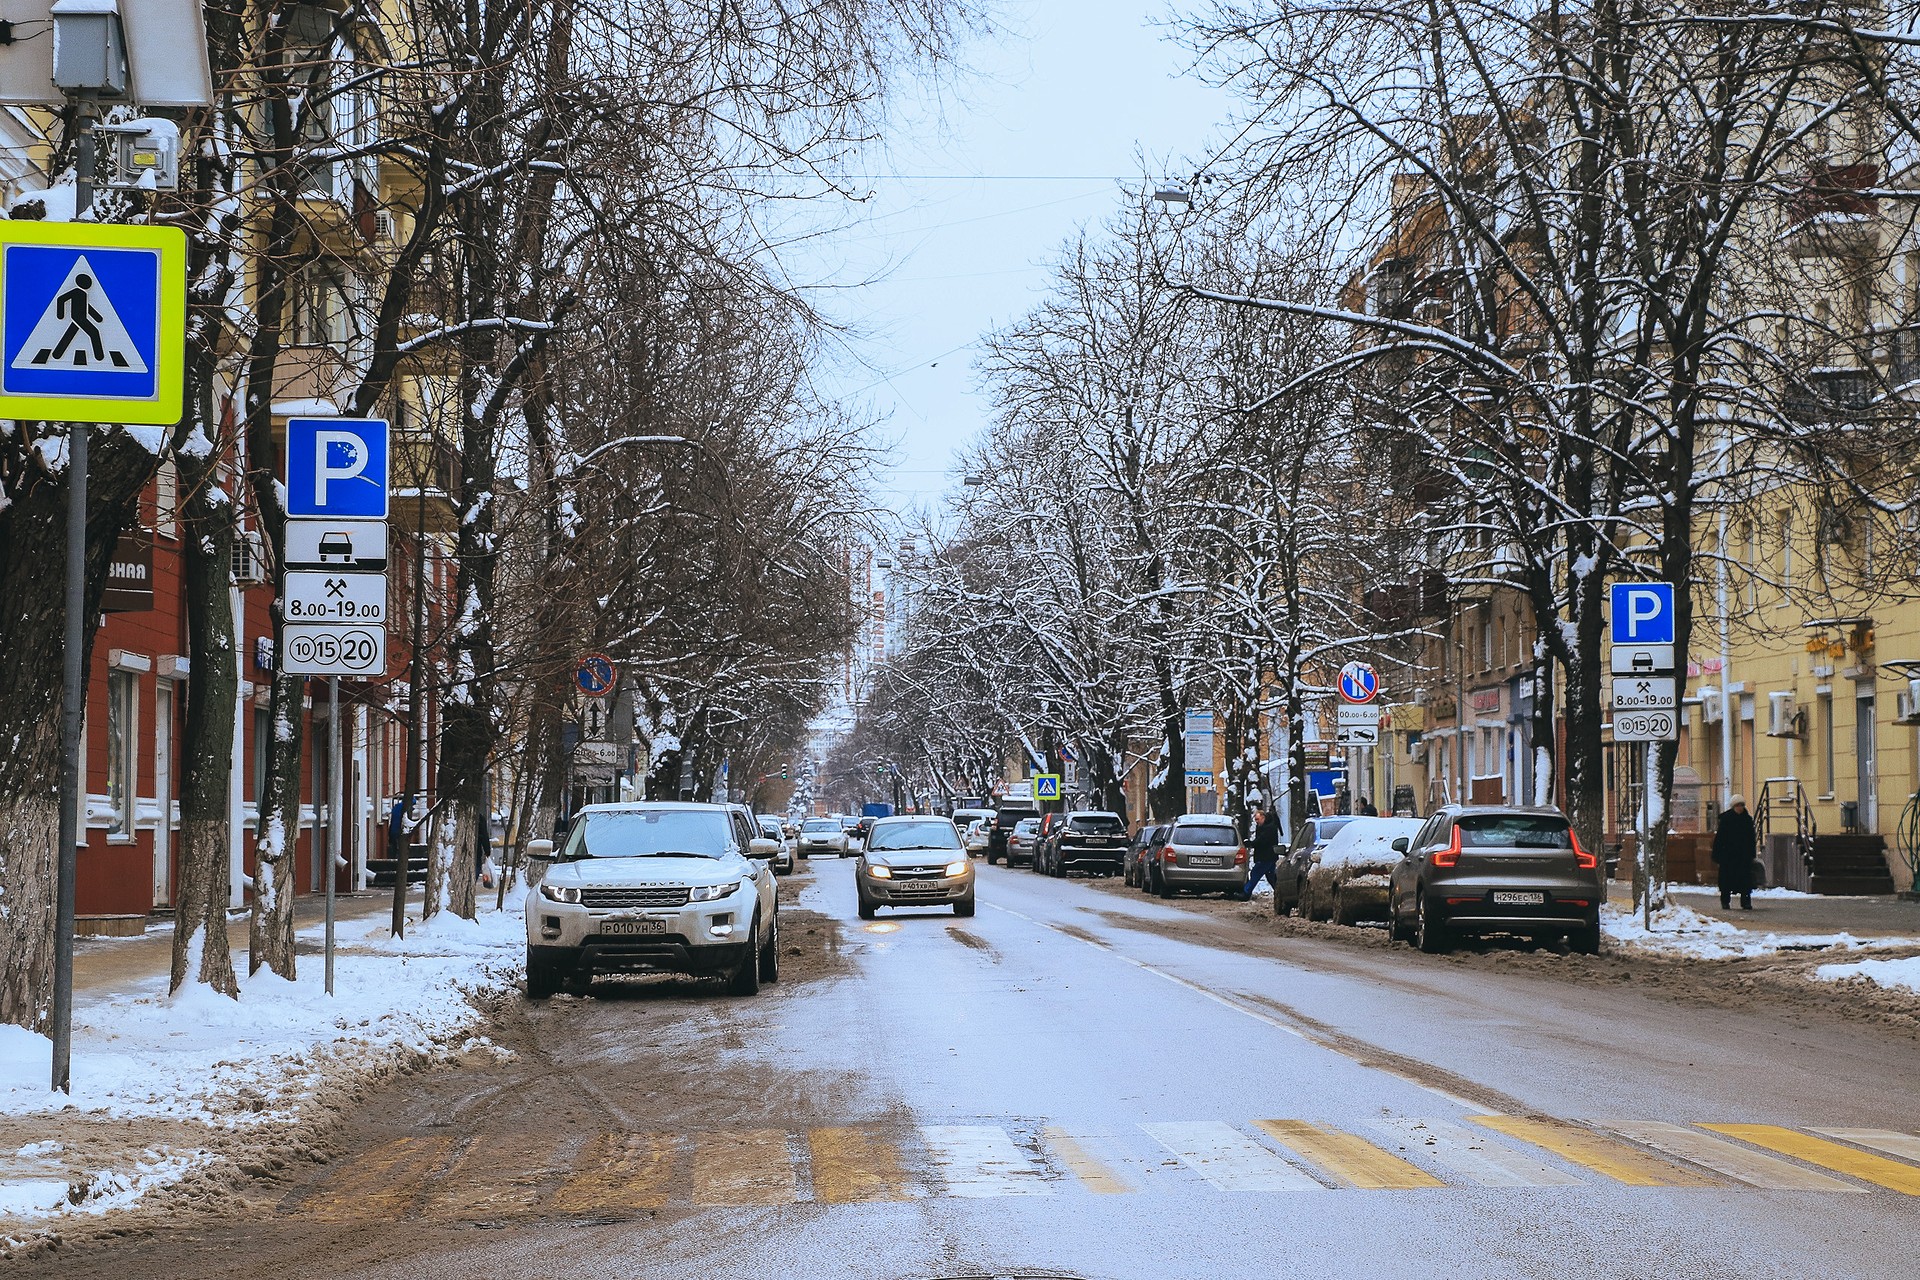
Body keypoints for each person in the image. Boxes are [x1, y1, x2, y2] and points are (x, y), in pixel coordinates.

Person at [1712, 794, 1758, 911]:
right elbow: (1720, 838)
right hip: (1728, 856)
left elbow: (1751, 838)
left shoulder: (1747, 820)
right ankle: (1725, 901)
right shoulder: (1726, 819)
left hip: (1743, 856)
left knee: (1745, 881)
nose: (1740, 807)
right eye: (1738, 805)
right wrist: (1717, 855)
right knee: (1726, 880)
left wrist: (1752, 854)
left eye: (1742, 805)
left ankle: (1746, 902)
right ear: (1733, 806)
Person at [1243, 805, 1282, 900]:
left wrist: (1251, 843)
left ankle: (1245, 893)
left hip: (1265, 857)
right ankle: (1280, 894)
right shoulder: (1268, 826)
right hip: (1269, 856)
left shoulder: (1268, 828)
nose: (1256, 822)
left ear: (1263, 817)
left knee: (1255, 874)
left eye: (1257, 819)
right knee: (1271, 877)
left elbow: (1261, 840)